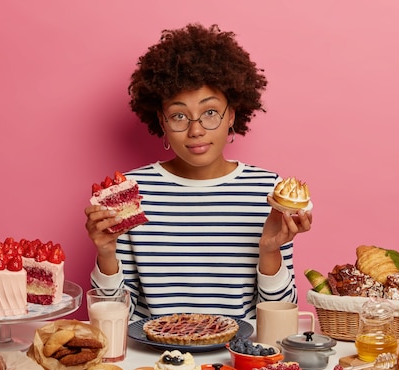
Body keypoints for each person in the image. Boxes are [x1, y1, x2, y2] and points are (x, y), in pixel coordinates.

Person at [84, 23, 312, 320]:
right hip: (152, 362)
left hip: (236, 361)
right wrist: (106, 255)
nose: (196, 130)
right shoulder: (132, 192)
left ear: (231, 114)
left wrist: (270, 251)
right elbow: (115, 319)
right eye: (179, 115)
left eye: (210, 113)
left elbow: (279, 318)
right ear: (162, 121)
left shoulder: (267, 190)